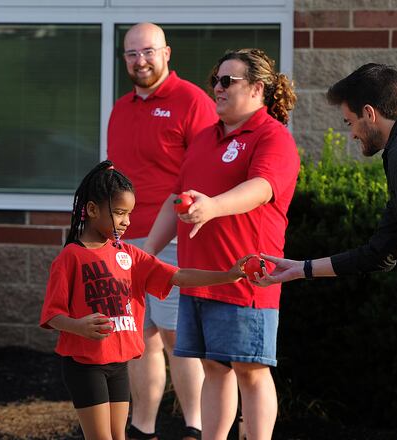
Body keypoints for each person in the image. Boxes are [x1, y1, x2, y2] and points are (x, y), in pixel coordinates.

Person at [255, 63, 397, 440]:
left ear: (370, 113)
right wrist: (301, 269)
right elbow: (382, 250)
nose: (349, 134)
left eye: (349, 122)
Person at [144, 48, 298, 440]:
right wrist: (145, 255)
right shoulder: (204, 137)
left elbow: (262, 189)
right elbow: (176, 199)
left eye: (227, 81)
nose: (217, 87)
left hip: (246, 279)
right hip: (200, 277)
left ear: (257, 88)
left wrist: (213, 207)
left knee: (251, 369)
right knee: (214, 367)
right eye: (216, 79)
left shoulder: (272, 136)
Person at [39, 160, 251, 440]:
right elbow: (52, 315)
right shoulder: (70, 258)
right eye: (119, 213)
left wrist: (228, 276)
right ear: (91, 210)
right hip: (84, 365)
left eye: (129, 213)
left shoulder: (129, 255)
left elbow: (179, 276)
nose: (127, 221)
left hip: (118, 365)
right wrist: (79, 326)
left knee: (119, 436)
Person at [107, 22, 217, 440]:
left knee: (177, 336)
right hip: (125, 240)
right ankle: (143, 427)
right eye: (132, 54)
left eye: (148, 51)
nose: (141, 61)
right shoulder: (121, 108)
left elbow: (207, 171)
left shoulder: (193, 101)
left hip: (174, 240)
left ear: (167, 53)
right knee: (139, 336)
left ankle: (195, 426)